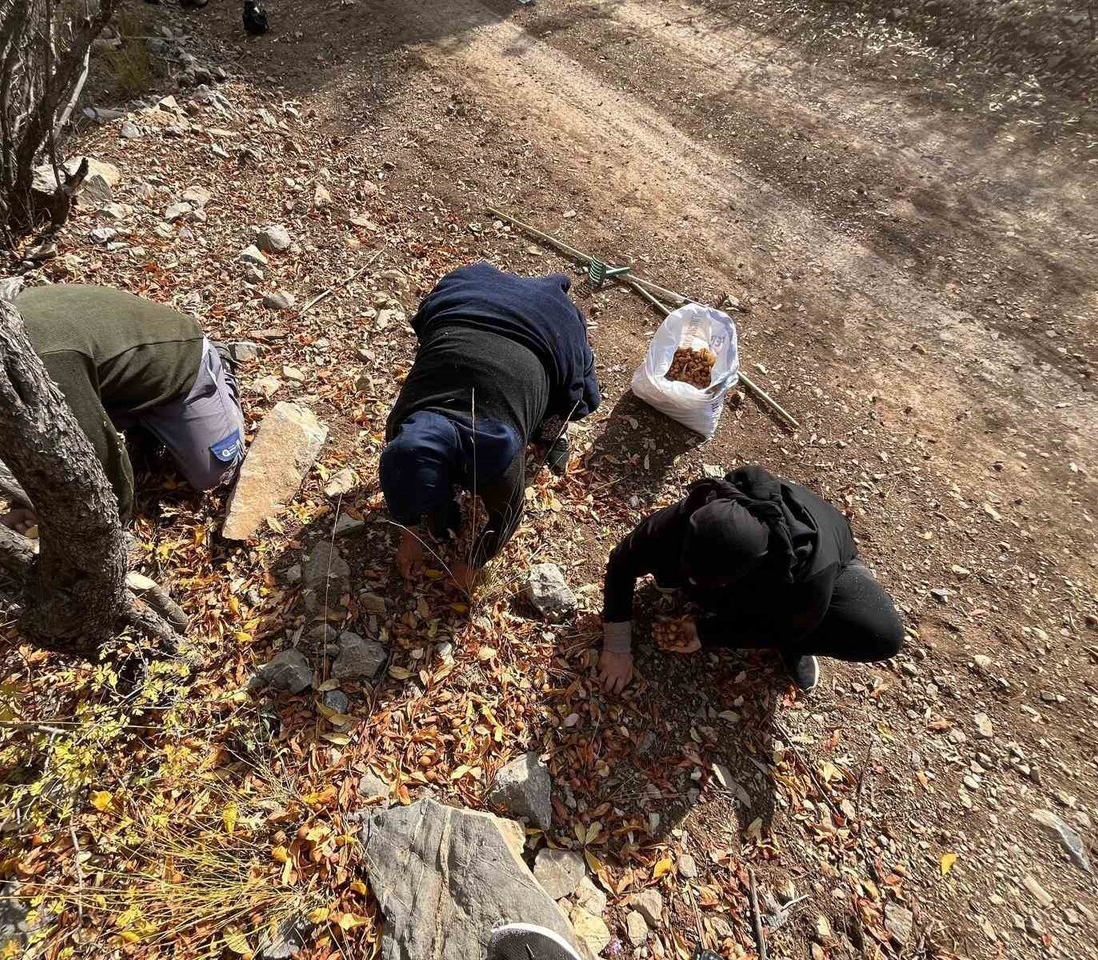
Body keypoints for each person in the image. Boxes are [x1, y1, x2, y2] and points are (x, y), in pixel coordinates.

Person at [0, 284, 245, 529]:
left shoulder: (40, 360)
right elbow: (31, 441)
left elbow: (97, 452)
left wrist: (113, 529)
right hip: (109, 381)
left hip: (179, 368)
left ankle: (219, 368)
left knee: (212, 473)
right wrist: (26, 500)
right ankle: (142, 421)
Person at [380, 261, 601, 591]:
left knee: (564, 408)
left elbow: (507, 517)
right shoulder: (403, 424)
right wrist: (409, 538)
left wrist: (470, 563)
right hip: (468, 299)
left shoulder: (500, 461)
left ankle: (551, 438)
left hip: (549, 323)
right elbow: (402, 478)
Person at [598, 464, 903, 694]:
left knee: (880, 635)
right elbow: (622, 561)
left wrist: (705, 632)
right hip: (737, 567)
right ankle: (693, 581)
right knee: (662, 555)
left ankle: (794, 647)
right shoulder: (699, 510)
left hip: (831, 566)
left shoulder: (805, 579)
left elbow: (780, 627)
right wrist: (616, 645)